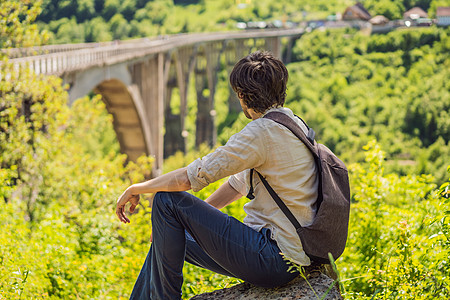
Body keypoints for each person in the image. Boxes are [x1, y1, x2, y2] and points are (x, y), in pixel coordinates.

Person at [116, 51, 319, 299]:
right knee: (165, 238)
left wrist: (137, 188)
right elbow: (236, 186)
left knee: (166, 200)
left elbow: (190, 178)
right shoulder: (292, 123)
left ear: (242, 96)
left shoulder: (261, 132)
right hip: (285, 256)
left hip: (272, 258)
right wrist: (187, 223)